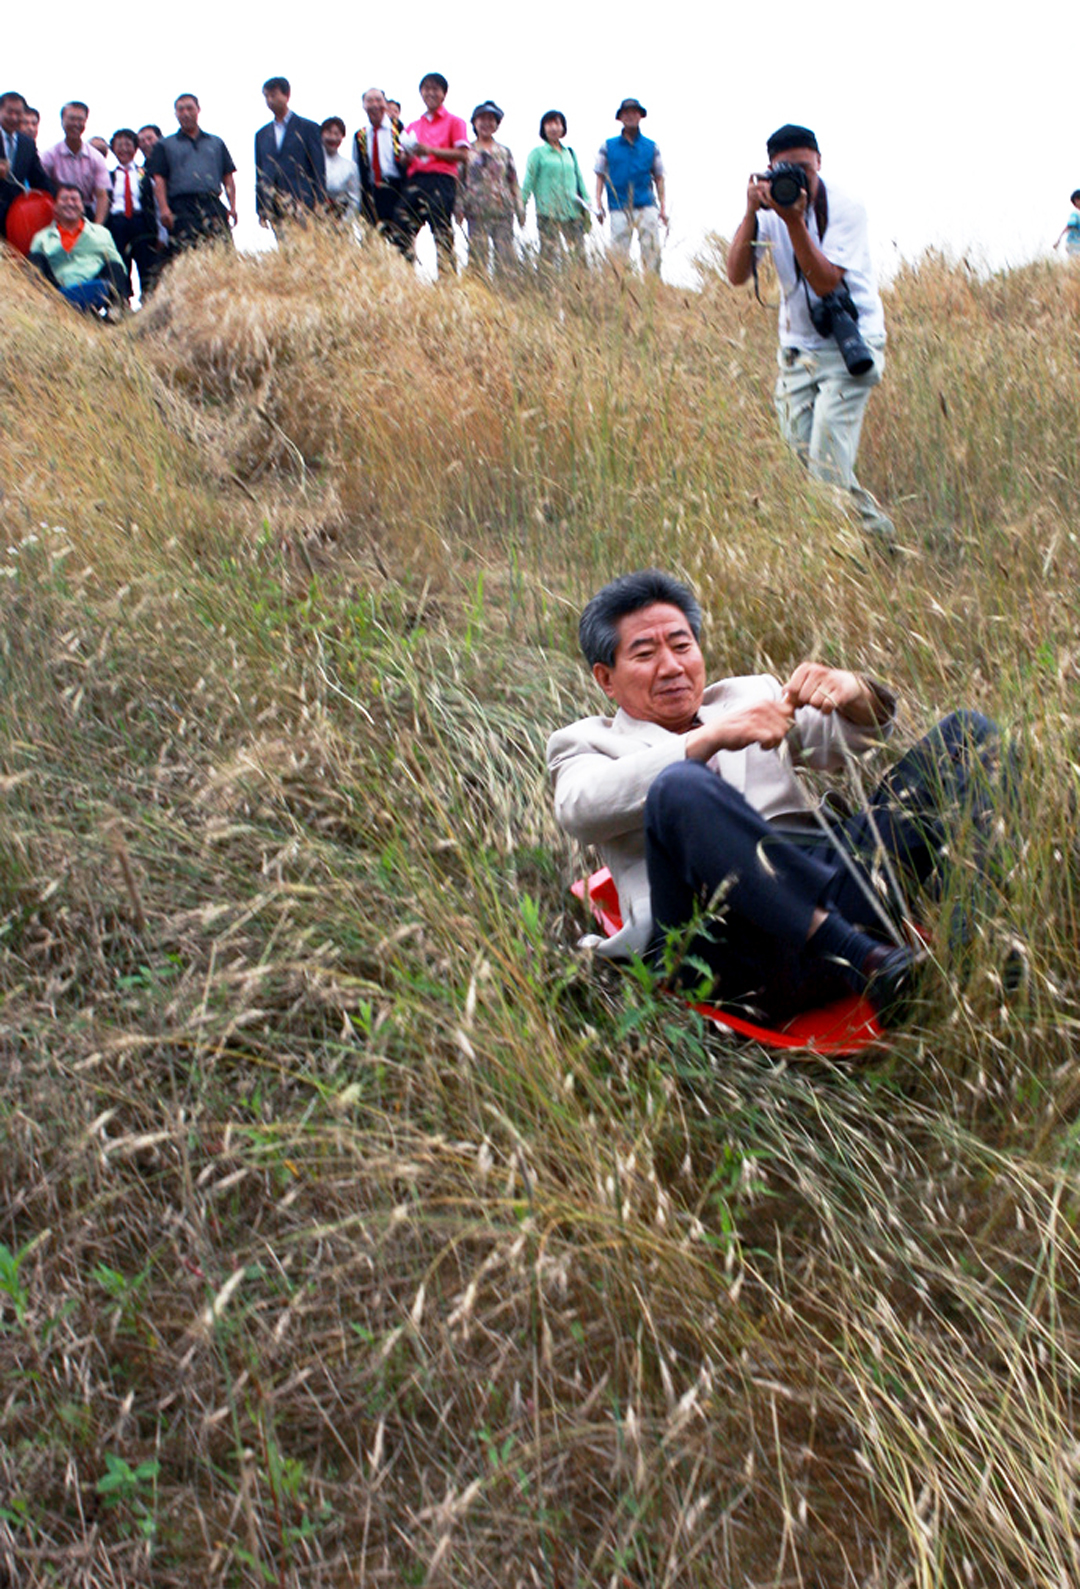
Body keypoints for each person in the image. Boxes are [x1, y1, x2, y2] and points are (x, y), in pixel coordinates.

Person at [548, 570, 1014, 1025]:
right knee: (678, 785)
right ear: (607, 679)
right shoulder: (584, 743)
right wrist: (706, 741)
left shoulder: (748, 695)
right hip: (725, 947)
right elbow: (580, 808)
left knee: (968, 732)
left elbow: (853, 738)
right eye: (645, 653)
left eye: (682, 644)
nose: (671, 666)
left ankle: (978, 944)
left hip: (833, 884)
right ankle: (858, 955)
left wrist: (855, 692)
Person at [727, 123, 896, 552]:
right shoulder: (769, 206)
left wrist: (794, 220)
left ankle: (846, 557)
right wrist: (752, 213)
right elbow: (736, 275)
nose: (798, 179)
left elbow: (824, 281)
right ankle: (877, 538)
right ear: (769, 170)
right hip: (797, 349)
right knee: (808, 462)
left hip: (851, 345)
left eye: (805, 168)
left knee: (826, 464)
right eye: (787, 170)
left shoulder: (845, 206)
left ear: (819, 161)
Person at [394, 73, 470, 276]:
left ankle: (447, 282)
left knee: (441, 233)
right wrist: (408, 155)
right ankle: (404, 278)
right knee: (400, 227)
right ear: (421, 93)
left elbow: (463, 154)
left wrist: (430, 151)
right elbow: (402, 158)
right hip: (415, 180)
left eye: (436, 89)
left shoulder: (455, 122)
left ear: (444, 94)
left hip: (441, 180)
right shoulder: (413, 126)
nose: (430, 92)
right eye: (426, 88)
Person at [147, 94, 237, 252]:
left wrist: (233, 205)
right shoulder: (165, 145)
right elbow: (159, 179)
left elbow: (228, 176)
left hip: (212, 203)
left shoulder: (215, 142)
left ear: (198, 110)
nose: (185, 113)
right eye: (180, 110)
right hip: (181, 206)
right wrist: (164, 209)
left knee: (222, 252)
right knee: (186, 253)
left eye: (189, 108)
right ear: (175, 114)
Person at [29, 180, 128, 314]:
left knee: (115, 265)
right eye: (64, 199)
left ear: (82, 207)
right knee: (35, 259)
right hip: (56, 290)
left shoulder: (101, 233)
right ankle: (38, 310)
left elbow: (119, 268)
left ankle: (116, 310)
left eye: (75, 200)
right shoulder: (42, 237)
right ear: (55, 207)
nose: (70, 203)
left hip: (94, 288)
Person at [594, 98, 667, 275]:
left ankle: (654, 290)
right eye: (626, 113)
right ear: (620, 118)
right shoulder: (608, 146)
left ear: (640, 116)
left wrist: (663, 208)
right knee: (619, 256)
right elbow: (600, 175)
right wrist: (598, 203)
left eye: (634, 112)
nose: (630, 116)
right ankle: (619, 292)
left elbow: (659, 178)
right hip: (618, 207)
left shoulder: (651, 147)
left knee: (651, 254)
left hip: (646, 205)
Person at [459, 100, 522, 279]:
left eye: (491, 119)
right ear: (474, 123)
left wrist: (519, 207)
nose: (486, 123)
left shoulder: (504, 152)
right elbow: (459, 180)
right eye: (482, 119)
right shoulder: (467, 151)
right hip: (476, 211)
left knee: (506, 257)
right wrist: (459, 207)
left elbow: (513, 181)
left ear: (497, 125)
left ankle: (507, 294)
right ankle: (478, 295)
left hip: (503, 211)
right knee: (478, 256)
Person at [520, 110, 590, 271]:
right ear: (543, 128)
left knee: (578, 256)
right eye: (549, 123)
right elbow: (528, 181)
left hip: (573, 212)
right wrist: (521, 205)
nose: (554, 127)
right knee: (548, 256)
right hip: (548, 213)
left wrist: (588, 203)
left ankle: (580, 288)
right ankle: (545, 289)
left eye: (557, 123)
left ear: (563, 128)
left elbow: (579, 178)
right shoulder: (538, 154)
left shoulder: (570, 153)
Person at [254, 76, 326, 229]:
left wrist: (320, 200)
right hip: (275, 204)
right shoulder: (262, 135)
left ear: (287, 95)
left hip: (303, 202)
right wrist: (261, 208)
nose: (269, 100)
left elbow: (318, 168)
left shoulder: (308, 128)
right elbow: (260, 172)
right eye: (266, 96)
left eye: (273, 95)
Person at [104, 128, 161, 298]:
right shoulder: (109, 176)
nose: (124, 149)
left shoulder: (145, 173)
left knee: (146, 263)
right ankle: (120, 300)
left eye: (128, 144)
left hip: (141, 222)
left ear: (136, 149)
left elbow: (155, 201)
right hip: (117, 223)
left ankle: (149, 299)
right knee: (119, 263)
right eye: (119, 145)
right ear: (113, 149)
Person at [40, 101, 109, 223]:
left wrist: (97, 228)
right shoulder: (49, 155)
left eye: (80, 120)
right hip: (57, 212)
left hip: (86, 211)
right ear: (62, 121)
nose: (76, 124)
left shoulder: (96, 157)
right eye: (71, 119)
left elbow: (102, 196)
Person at [0, 91, 52, 240]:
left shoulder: (27, 143)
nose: (14, 118)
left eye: (19, 113)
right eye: (10, 112)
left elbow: (39, 179)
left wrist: (60, 199)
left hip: (13, 214)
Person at [354, 88, 405, 232]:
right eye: (370, 101)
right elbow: (358, 167)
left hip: (396, 189)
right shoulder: (360, 135)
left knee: (401, 238)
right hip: (372, 192)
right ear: (364, 106)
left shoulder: (398, 129)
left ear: (385, 103)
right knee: (374, 237)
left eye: (378, 100)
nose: (375, 105)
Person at [320, 117, 360, 219]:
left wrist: (344, 224)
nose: (332, 138)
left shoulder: (350, 167)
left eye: (337, 134)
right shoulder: (310, 161)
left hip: (338, 221)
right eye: (329, 133)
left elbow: (355, 200)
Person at [1053, 191, 1080, 257]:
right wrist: (1058, 240)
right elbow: (1068, 226)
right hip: (1074, 243)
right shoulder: (1075, 214)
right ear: (1077, 200)